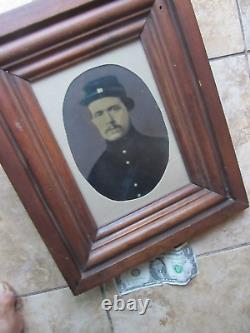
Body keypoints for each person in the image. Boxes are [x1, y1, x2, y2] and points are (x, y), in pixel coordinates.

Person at [81, 76, 169, 201]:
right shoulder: (97, 175)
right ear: (93, 121)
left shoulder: (162, 148)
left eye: (114, 109)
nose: (109, 120)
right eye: (99, 114)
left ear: (127, 108)